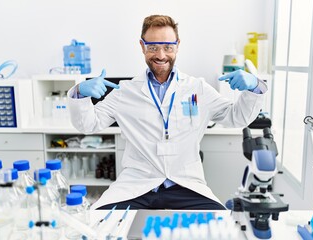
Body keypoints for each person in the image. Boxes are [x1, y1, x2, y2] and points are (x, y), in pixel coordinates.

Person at [68, 15, 267, 210]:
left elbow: (236, 117)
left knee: (220, 226)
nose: (161, 55)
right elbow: (88, 124)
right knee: (97, 225)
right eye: (153, 47)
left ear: (177, 45)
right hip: (137, 186)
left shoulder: (198, 88)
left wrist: (254, 87)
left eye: (168, 47)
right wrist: (80, 92)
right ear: (142, 46)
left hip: (186, 186)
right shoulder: (125, 91)